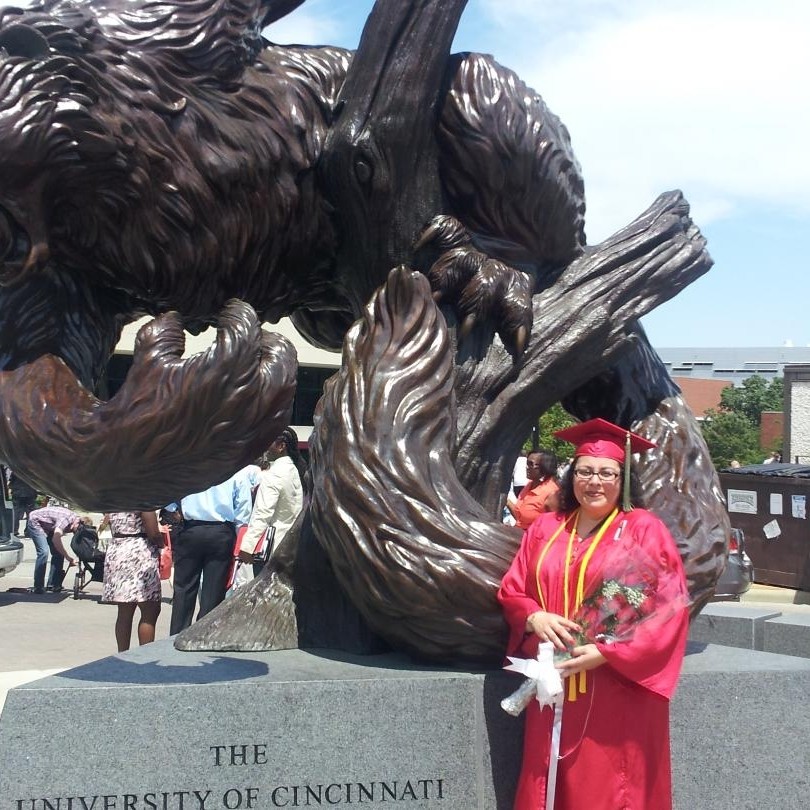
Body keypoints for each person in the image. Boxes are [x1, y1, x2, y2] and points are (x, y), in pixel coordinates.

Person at [498, 418, 689, 810]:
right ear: (572, 476)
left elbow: (669, 607)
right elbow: (513, 588)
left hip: (615, 686)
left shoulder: (641, 529)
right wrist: (534, 617)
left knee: (609, 785)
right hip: (555, 675)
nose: (595, 481)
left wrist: (608, 652)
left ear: (623, 478)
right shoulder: (547, 527)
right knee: (546, 778)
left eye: (607, 472)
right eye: (585, 471)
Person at [169, 466, 253, 633]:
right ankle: (204, 634)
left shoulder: (189, 467)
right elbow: (243, 511)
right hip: (221, 533)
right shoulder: (236, 470)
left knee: (184, 589)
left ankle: (177, 634)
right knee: (213, 591)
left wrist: (174, 511)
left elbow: (169, 492)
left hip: (191, 529)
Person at [237, 428, 305, 576]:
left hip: (270, 548)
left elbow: (263, 513)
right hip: (290, 545)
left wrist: (248, 547)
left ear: (281, 446)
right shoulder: (294, 471)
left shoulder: (274, 475)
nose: (265, 447)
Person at [102, 510, 164, 651]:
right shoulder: (141, 498)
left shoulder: (114, 500)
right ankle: (144, 655)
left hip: (117, 550)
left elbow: (104, 527)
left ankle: (122, 653)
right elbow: (153, 532)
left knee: (124, 611)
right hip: (139, 552)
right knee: (149, 610)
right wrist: (163, 544)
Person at [24, 505, 83, 594]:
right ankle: (38, 586)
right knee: (43, 552)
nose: (73, 532)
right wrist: (68, 557)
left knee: (58, 554)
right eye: (75, 530)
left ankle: (53, 584)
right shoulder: (65, 520)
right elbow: (56, 539)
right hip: (36, 521)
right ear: (77, 523)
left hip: (48, 524)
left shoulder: (74, 519)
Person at [506, 449, 560, 530]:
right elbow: (520, 517)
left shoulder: (552, 493)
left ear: (544, 467)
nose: (527, 467)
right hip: (518, 534)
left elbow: (556, 526)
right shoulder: (529, 485)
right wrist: (507, 502)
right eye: (527, 463)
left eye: (531, 464)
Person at [7, 469, 38, 536]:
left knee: (16, 512)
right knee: (30, 513)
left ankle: (14, 531)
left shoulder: (16, 470)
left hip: (17, 493)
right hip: (30, 493)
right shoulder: (32, 471)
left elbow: (11, 481)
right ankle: (29, 532)